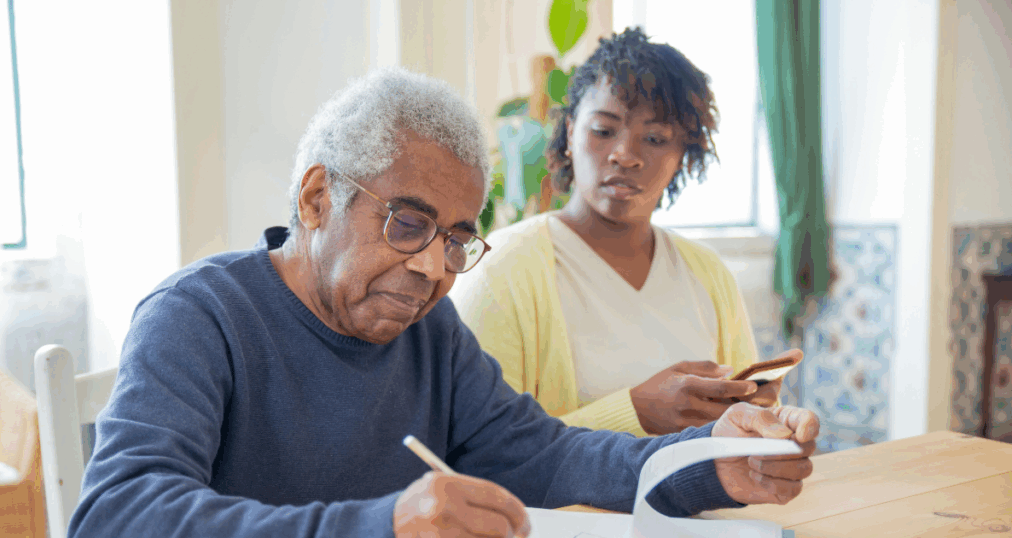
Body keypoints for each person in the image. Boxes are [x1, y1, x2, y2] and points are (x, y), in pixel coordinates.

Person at [69, 67, 818, 538]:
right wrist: (381, 524)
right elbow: (117, 515)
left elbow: (548, 455)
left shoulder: (430, 331)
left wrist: (712, 461)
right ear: (318, 197)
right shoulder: (199, 317)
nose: (432, 267)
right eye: (407, 222)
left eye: (457, 238)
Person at [450, 28, 785, 438]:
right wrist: (635, 412)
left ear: (684, 156)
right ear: (570, 132)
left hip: (699, 500)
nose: (625, 154)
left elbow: (741, 428)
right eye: (603, 130)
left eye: (656, 139)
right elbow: (480, 445)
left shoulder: (708, 274)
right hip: (561, 507)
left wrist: (759, 417)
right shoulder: (500, 269)